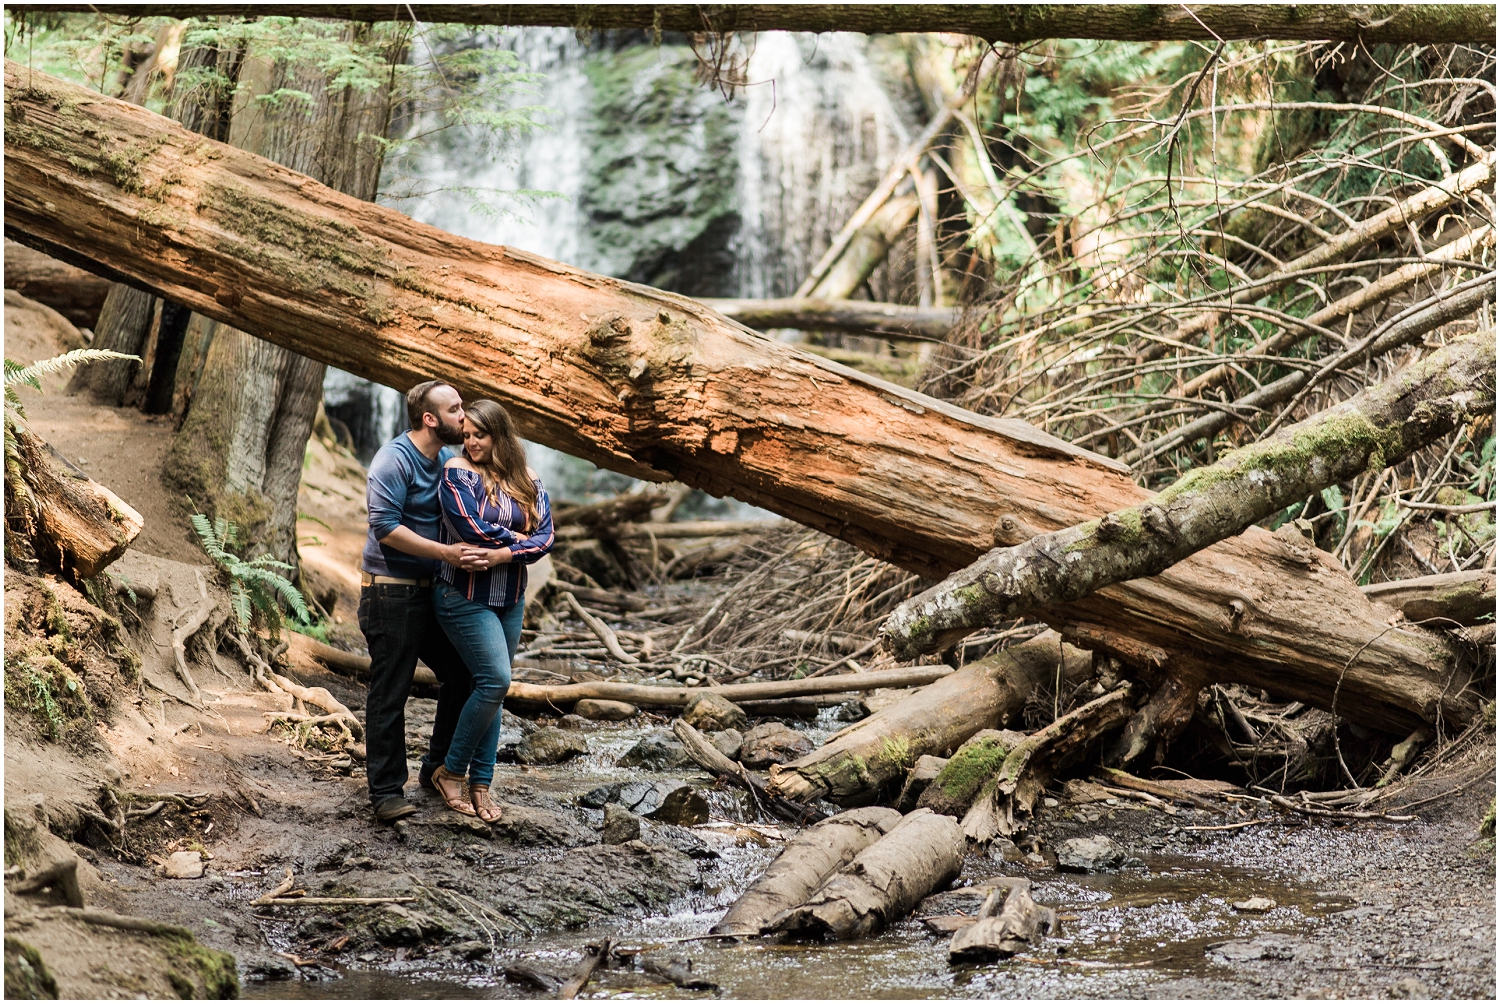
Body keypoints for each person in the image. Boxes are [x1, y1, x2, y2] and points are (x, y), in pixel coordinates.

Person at [358, 380, 478, 824]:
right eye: (455, 409)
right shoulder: (393, 459)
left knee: (463, 675)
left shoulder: (448, 458)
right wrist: (445, 553)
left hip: (434, 595)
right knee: (391, 692)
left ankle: (435, 769)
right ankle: (386, 793)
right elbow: (385, 526)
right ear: (430, 419)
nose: (464, 416)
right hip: (389, 593)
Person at [429, 399, 554, 821]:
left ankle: (481, 786)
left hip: (510, 600)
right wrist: (520, 539)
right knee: (496, 680)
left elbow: (548, 538)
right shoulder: (456, 472)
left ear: (499, 434)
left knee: (494, 690)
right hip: (463, 597)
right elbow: (470, 527)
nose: (470, 442)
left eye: (478, 435)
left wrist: (504, 554)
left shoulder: (528, 478)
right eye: (466, 435)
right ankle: (450, 772)